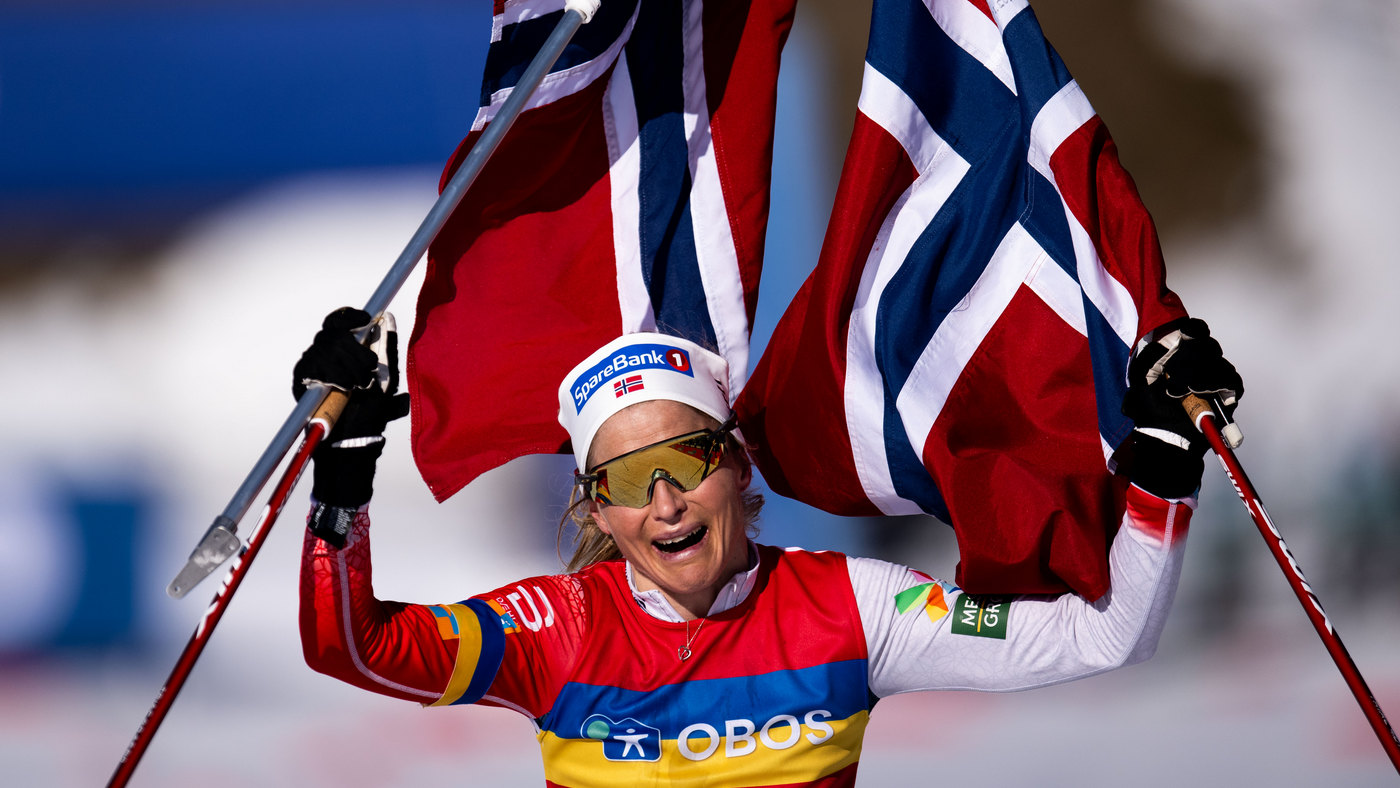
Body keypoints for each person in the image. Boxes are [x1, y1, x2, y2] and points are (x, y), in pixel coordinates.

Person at [295, 307, 1242, 786]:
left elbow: (1104, 634)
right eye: (625, 480)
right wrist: (345, 466)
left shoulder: (855, 609)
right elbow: (353, 647)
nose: (664, 502)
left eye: (685, 460)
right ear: (594, 510)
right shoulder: (558, 628)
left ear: (738, 465)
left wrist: (1162, 462)